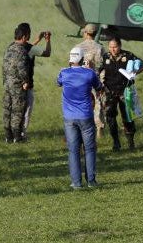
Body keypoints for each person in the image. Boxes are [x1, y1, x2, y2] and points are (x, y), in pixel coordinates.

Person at [57, 47, 103, 189]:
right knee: (89, 149)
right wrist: (89, 68)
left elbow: (58, 82)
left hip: (69, 117)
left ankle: (76, 183)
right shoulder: (89, 74)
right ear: (83, 59)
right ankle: (91, 181)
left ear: (71, 59)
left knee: (73, 150)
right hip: (85, 116)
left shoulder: (63, 73)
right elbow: (99, 86)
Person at [100, 37, 143, 151]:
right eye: (110, 47)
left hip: (125, 91)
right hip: (110, 91)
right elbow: (99, 70)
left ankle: (131, 142)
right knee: (110, 117)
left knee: (127, 117)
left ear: (120, 46)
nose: (113, 49)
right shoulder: (105, 57)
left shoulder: (128, 55)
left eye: (115, 47)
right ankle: (116, 143)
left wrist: (134, 73)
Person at [17, 23, 52, 140]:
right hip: (27, 85)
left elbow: (29, 48)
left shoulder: (13, 47)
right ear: (26, 35)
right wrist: (47, 41)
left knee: (15, 110)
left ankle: (12, 134)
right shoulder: (29, 48)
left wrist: (38, 39)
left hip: (14, 85)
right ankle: (22, 134)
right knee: (26, 110)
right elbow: (47, 53)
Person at [74, 23, 107, 136]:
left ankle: (82, 128)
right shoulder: (100, 47)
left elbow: (72, 66)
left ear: (86, 33)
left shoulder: (77, 47)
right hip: (95, 79)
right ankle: (99, 128)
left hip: (81, 81)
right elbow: (103, 67)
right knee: (98, 103)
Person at [1, 26, 31, 143]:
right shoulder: (21, 50)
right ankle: (17, 137)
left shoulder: (9, 48)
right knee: (17, 111)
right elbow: (22, 69)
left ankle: (8, 136)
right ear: (24, 37)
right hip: (17, 86)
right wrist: (26, 82)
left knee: (7, 109)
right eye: (28, 36)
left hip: (7, 83)